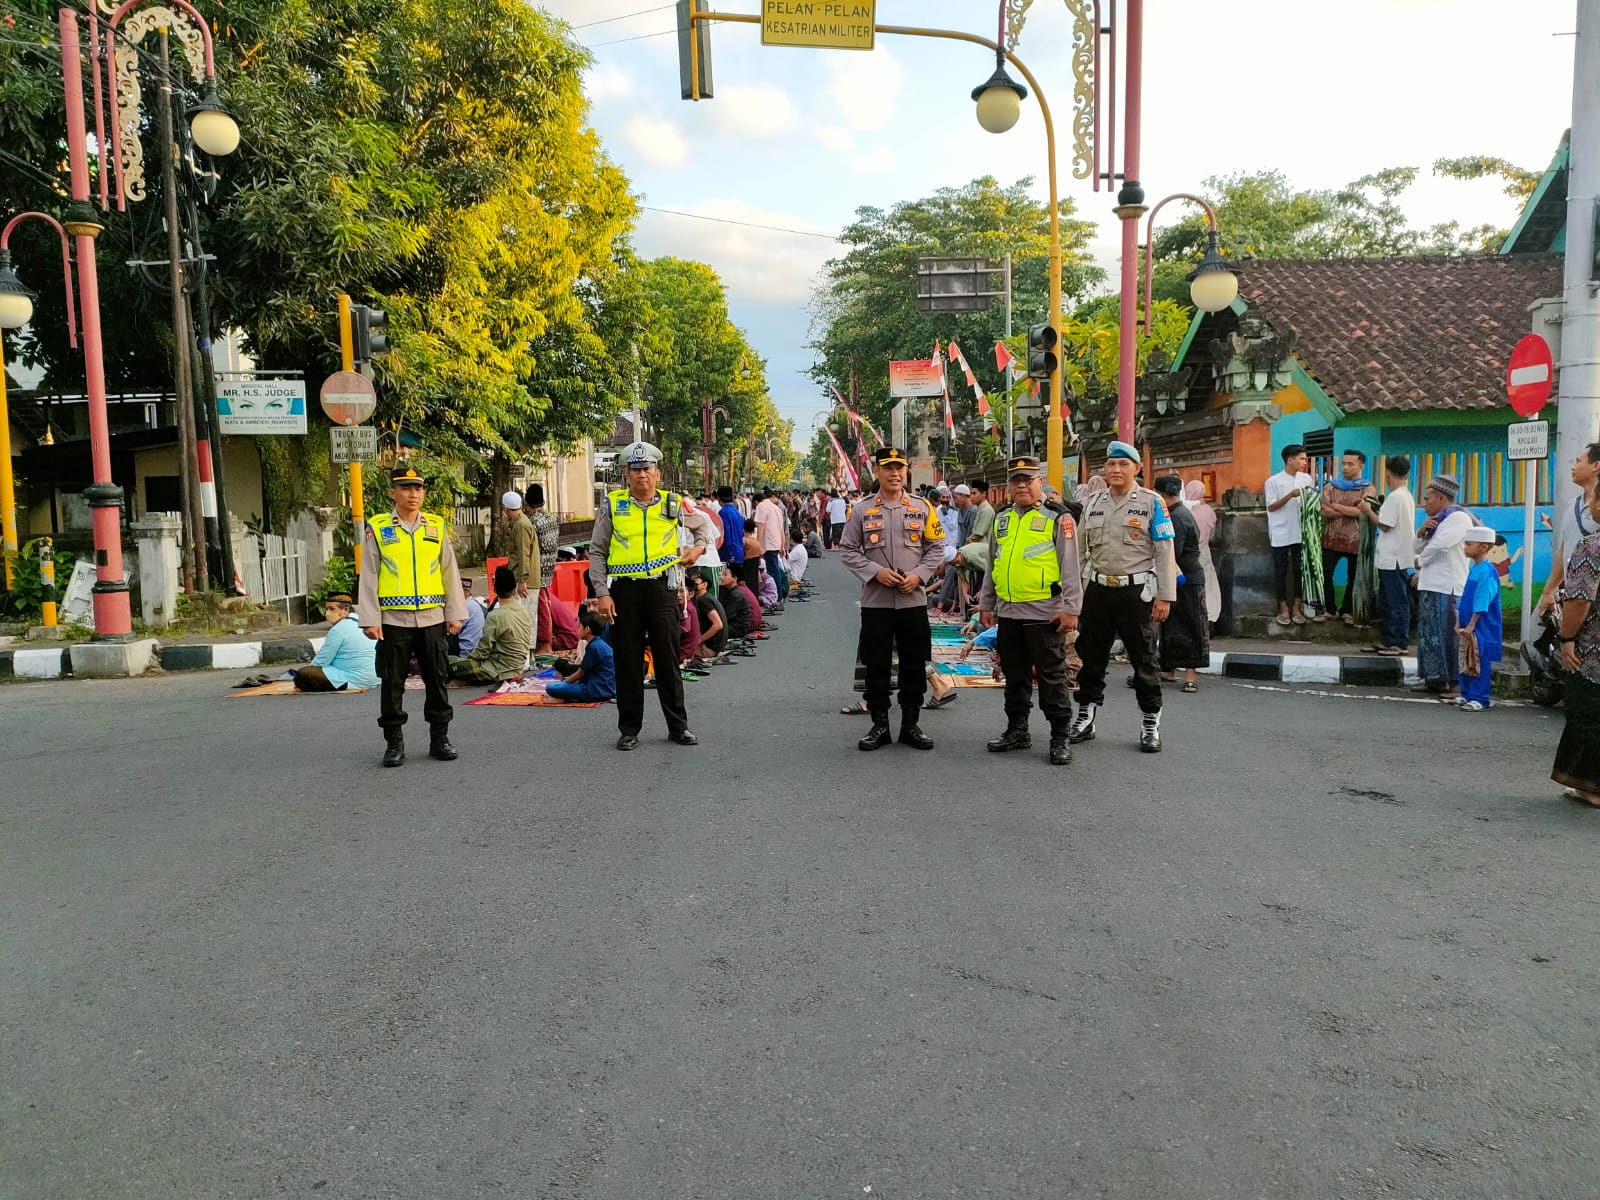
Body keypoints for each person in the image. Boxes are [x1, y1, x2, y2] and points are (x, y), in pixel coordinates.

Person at [588, 441, 707, 750]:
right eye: (635, 470)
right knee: (627, 661)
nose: (642, 475)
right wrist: (602, 592)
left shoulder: (673, 503)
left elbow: (703, 527)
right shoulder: (613, 505)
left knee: (668, 660)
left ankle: (678, 727)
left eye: (647, 469)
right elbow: (597, 551)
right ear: (627, 475)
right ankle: (629, 729)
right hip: (624, 591)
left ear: (657, 473)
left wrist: (698, 549)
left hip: (661, 590)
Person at [1070, 440, 1178, 753]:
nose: (1115, 469)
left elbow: (1164, 551)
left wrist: (1165, 596)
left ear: (1137, 469)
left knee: (1144, 660)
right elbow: (1079, 552)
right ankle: (1085, 716)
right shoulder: (1093, 502)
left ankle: (1150, 722)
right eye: (1111, 464)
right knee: (1091, 658)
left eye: (1123, 464)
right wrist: (1073, 594)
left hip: (1136, 593)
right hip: (1098, 590)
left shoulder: (1152, 503)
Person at [838, 446, 947, 751]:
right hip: (877, 602)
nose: (895, 473)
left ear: (906, 472)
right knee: (877, 665)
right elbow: (848, 549)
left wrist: (919, 575)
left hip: (913, 601)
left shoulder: (922, 508)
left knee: (914, 664)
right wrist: (875, 572)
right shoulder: (862, 510)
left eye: (900, 468)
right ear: (877, 471)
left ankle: (911, 725)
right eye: (888, 468)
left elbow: (936, 547)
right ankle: (880, 725)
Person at [978, 455, 1083, 766]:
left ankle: (1060, 735)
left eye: (1028, 480)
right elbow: (992, 565)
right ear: (1009, 486)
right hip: (1009, 614)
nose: (1022, 485)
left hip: (1045, 614)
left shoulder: (1058, 518)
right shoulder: (1002, 518)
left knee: (1052, 678)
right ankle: (1017, 730)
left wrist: (1071, 608)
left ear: (1040, 482)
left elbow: (1070, 567)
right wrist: (986, 604)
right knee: (1014, 677)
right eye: (1016, 480)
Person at [359, 464, 466, 767]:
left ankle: (440, 738)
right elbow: (369, 574)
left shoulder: (436, 526)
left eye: (418, 488)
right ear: (392, 493)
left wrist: (454, 612)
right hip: (394, 620)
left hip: (432, 617)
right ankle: (394, 743)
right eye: (406, 488)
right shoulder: (379, 528)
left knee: (437, 679)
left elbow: (449, 570)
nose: (413, 494)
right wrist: (370, 618)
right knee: (392, 682)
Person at [1553, 486, 1600, 805]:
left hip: (1592, 650)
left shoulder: (1592, 546)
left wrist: (1567, 638)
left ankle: (1593, 788)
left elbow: (1579, 601)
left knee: (1588, 715)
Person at [1412, 473, 1474, 701]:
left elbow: (1440, 546)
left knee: (1448, 635)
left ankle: (1455, 683)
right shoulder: (1437, 521)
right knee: (1429, 635)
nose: (1424, 503)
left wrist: (1419, 562)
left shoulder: (1458, 518)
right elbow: (1419, 547)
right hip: (1431, 584)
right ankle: (1434, 679)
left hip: (1447, 586)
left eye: (1427, 498)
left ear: (1441, 498)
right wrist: (1420, 533)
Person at [1153, 475, 1208, 694]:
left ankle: (1191, 676)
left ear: (1160, 494)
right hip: (1179, 577)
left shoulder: (1176, 517)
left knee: (1190, 625)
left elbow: (1171, 552)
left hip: (1186, 579)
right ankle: (1168, 670)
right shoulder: (1180, 512)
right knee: (1171, 625)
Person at [1536, 443, 1600, 622]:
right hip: (1575, 601)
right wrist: (1549, 591)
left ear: (1596, 465)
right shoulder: (1573, 505)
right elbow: (1565, 550)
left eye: (1578, 461)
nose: (1573, 467)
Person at [1318, 450, 1377, 624]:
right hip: (1331, 538)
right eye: (1343, 463)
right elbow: (1324, 510)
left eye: (1350, 464)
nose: (1345, 467)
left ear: (1361, 466)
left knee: (1353, 576)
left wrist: (1336, 506)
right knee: (1325, 573)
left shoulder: (1368, 488)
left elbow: (1361, 512)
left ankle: (1347, 610)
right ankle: (1329, 609)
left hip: (1355, 539)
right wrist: (1349, 510)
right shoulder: (1330, 486)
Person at [449, 565, 532, 683]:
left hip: (497, 671)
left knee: (447, 661)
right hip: (518, 667)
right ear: (514, 590)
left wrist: (467, 660)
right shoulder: (523, 610)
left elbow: (483, 651)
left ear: (495, 589)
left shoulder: (495, 616)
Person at [1264, 444, 1314, 626]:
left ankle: (1297, 607)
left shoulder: (1306, 479)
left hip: (1301, 532)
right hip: (1281, 532)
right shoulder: (1273, 481)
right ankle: (1283, 607)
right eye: (1301, 459)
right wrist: (1290, 496)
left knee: (1300, 570)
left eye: (1305, 459)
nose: (1304, 462)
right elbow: (1271, 507)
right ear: (1290, 460)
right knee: (1281, 571)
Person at [1372, 456, 1417, 655]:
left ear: (1389, 474)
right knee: (1392, 600)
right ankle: (1390, 640)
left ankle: (1398, 642)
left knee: (1395, 601)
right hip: (1398, 556)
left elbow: (1385, 525)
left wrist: (1368, 511)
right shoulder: (1406, 495)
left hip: (1393, 558)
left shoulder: (1395, 497)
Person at [1456, 525, 1502, 712]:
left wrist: (1472, 623)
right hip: (1468, 622)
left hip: (1481, 624)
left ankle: (1481, 697)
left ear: (1483, 547)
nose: (1465, 547)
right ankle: (1467, 693)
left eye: (1469, 544)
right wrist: (1459, 621)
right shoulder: (1475, 568)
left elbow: (1483, 599)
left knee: (1479, 658)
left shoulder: (1488, 571)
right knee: (1467, 656)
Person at [294, 591, 379, 691]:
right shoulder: (364, 623)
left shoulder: (338, 629)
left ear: (345, 610)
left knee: (304, 673)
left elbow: (321, 661)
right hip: (376, 679)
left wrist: (309, 671)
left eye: (332, 609)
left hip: (353, 680)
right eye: (327, 609)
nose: (327, 613)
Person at [548, 612, 617, 703]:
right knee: (562, 684)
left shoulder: (594, 647)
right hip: (607, 689)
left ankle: (567, 698)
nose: (578, 630)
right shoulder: (600, 644)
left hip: (595, 691)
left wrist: (564, 683)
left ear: (587, 629)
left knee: (551, 687)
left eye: (579, 627)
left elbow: (581, 673)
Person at [525, 483, 560, 653]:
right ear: (543, 501)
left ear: (526, 503)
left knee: (540, 609)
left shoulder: (532, 523)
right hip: (549, 569)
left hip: (536, 572)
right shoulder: (551, 520)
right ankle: (545, 643)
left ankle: (544, 645)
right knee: (545, 605)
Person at [1183, 480, 1222, 627]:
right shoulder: (1209, 510)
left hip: (1189, 552)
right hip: (1205, 551)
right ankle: (1211, 617)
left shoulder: (1185, 511)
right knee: (1209, 583)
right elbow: (1212, 535)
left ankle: (1193, 618)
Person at [502, 489, 539, 603]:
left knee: (523, 613)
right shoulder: (521, 521)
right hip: (524, 580)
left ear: (506, 509)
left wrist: (522, 580)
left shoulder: (520, 525)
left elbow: (524, 553)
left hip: (525, 583)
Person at [753, 488, 788, 599]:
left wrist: (758, 544)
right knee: (774, 569)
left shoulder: (761, 506)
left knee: (772, 571)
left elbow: (761, 526)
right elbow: (781, 529)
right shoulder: (777, 509)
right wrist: (782, 545)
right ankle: (778, 595)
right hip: (776, 542)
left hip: (768, 542)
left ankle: (776, 596)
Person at [690, 570, 729, 660]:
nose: (692, 586)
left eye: (695, 584)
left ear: (704, 584)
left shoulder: (704, 600)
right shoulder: (705, 598)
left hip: (710, 647)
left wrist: (699, 640)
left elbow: (718, 625)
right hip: (715, 646)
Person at [452, 578, 487, 657]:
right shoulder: (473, 604)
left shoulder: (465, 606)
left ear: (465, 591)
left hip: (464, 653)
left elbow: (451, 630)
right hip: (472, 650)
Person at [785, 529, 809, 600]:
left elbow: (785, 562)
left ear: (792, 539)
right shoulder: (800, 548)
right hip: (797, 575)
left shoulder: (797, 551)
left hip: (793, 576)